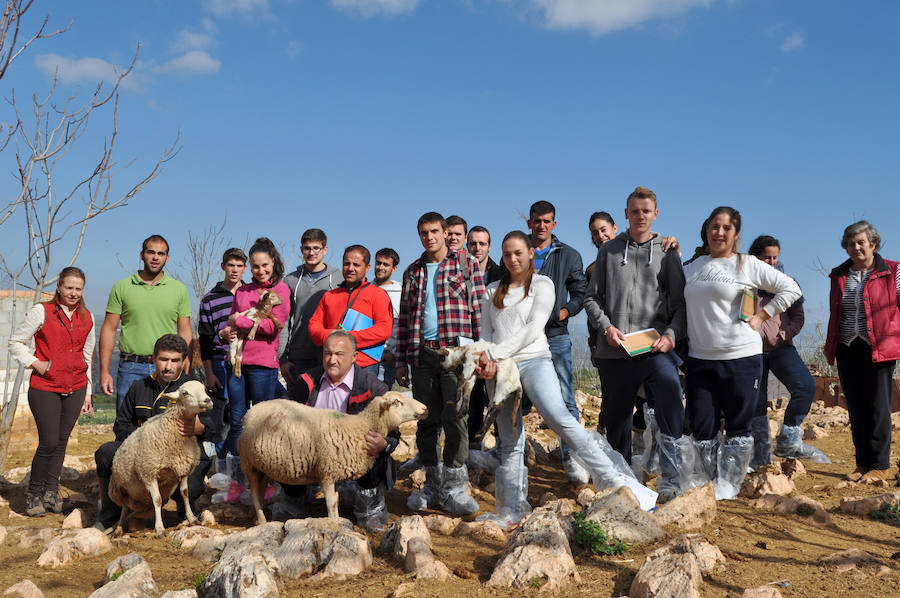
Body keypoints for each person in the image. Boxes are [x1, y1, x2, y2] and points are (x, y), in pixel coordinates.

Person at [475, 231, 657, 529]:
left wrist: (492, 353)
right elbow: (486, 333)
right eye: (507, 254)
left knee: (560, 418)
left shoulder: (543, 284)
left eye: (518, 252)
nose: (512, 259)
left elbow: (533, 329)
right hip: (501, 370)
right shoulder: (492, 290)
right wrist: (486, 360)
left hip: (534, 361)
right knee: (509, 439)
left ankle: (613, 481)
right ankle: (511, 509)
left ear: (530, 253)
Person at [682, 207, 801, 500]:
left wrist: (762, 316)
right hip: (700, 359)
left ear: (736, 234)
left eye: (727, 228)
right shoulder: (692, 267)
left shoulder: (747, 264)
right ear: (706, 230)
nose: (719, 233)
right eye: (715, 226)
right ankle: (707, 484)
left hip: (741, 358)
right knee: (703, 426)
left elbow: (790, 289)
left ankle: (729, 485)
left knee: (738, 425)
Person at [584, 187, 687, 502]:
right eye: (634, 211)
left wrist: (671, 336)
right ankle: (623, 485)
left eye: (646, 211)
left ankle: (671, 480)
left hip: (654, 347)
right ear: (626, 214)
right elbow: (591, 299)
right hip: (615, 350)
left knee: (670, 400)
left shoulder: (667, 252)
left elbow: (681, 306)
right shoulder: (609, 251)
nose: (640, 216)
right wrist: (606, 328)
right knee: (617, 421)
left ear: (655, 214)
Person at [396, 211, 484, 515]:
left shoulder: (466, 264)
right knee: (426, 418)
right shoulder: (412, 272)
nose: (429, 237)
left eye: (434, 231)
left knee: (456, 417)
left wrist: (480, 352)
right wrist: (402, 360)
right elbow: (404, 319)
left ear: (445, 233)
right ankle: (432, 486)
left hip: (456, 354)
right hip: (422, 355)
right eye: (424, 232)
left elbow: (478, 311)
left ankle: (455, 488)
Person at [93, 334, 226, 531]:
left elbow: (215, 427)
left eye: (175, 360)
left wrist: (200, 428)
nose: (168, 366)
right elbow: (121, 426)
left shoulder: (193, 387)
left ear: (184, 361)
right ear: (154, 358)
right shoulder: (139, 387)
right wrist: (144, 439)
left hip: (181, 453)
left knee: (194, 481)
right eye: (163, 359)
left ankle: (185, 511)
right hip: (143, 454)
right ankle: (109, 513)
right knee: (105, 453)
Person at [276, 330, 396, 531]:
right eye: (327, 353)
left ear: (354, 357)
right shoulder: (307, 382)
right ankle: (294, 505)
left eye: (339, 354)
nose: (332, 360)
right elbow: (285, 408)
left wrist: (385, 444)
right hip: (313, 456)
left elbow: (394, 434)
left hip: (353, 458)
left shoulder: (374, 389)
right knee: (286, 452)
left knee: (374, 453)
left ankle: (370, 510)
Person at [9, 267, 95, 517]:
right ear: (59, 287)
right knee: (48, 441)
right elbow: (15, 342)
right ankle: (33, 495)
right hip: (45, 387)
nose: (73, 293)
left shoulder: (87, 317)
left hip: (76, 386)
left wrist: (88, 391)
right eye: (69, 287)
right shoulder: (42, 311)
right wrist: (35, 363)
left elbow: (87, 356)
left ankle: (50, 494)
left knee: (61, 442)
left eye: (78, 289)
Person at [824, 221, 900, 483]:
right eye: (850, 243)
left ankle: (879, 465)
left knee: (878, 407)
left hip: (879, 346)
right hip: (847, 347)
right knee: (856, 407)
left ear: (873, 245)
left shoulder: (893, 271)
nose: (855, 247)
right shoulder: (838, 275)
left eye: (861, 242)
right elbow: (836, 312)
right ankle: (862, 463)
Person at [218, 237, 291, 503]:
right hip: (237, 362)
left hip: (263, 365)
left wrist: (240, 321)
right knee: (238, 420)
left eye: (265, 265)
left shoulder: (280, 291)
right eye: (256, 266)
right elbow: (232, 323)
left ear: (274, 263)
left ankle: (265, 478)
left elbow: (272, 327)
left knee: (263, 422)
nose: (260, 271)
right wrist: (225, 331)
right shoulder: (243, 291)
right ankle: (239, 480)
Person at [746, 236, 827, 469]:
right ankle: (760, 458)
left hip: (782, 348)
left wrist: (783, 334)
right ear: (756, 258)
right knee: (756, 403)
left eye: (775, 257)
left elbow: (798, 317)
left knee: (805, 386)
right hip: (752, 351)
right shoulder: (746, 284)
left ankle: (788, 439)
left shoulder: (787, 283)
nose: (771, 262)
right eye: (766, 257)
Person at [525, 201, 589, 485]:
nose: (542, 226)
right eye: (537, 221)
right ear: (529, 223)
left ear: (554, 223)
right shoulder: (518, 250)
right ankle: (510, 457)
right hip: (522, 338)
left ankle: (573, 456)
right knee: (517, 400)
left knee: (565, 399)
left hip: (555, 336)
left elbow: (580, 292)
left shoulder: (568, 255)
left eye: (547, 221)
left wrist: (564, 312)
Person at [99, 235, 192, 408]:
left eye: (161, 253)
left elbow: (185, 330)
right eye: (151, 252)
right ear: (142, 255)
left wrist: (186, 362)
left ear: (167, 258)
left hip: (167, 367)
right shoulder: (122, 287)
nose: (155, 257)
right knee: (127, 422)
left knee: (166, 421)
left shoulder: (179, 290)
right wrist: (104, 371)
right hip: (130, 367)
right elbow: (109, 329)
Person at [197, 248, 247, 487]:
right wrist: (209, 373)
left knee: (242, 417)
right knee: (222, 417)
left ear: (245, 268)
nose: (235, 270)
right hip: (219, 362)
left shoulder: (251, 294)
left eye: (239, 266)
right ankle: (221, 471)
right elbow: (205, 339)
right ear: (223, 266)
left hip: (246, 363)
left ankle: (240, 467)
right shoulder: (210, 299)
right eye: (231, 265)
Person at [308, 245, 394, 376]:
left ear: (367, 267)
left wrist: (346, 339)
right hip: (332, 363)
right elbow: (314, 327)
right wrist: (330, 335)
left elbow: (384, 329)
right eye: (346, 264)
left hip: (364, 366)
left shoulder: (378, 295)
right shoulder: (329, 296)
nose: (350, 268)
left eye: (356, 265)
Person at [280, 228, 342, 382]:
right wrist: (282, 359)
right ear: (301, 249)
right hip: (298, 357)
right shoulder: (290, 280)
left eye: (316, 248)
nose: (311, 252)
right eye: (307, 248)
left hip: (330, 354)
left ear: (325, 250)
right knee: (298, 398)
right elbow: (284, 322)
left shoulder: (339, 279)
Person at [466, 225, 502, 448]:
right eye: (473, 243)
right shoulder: (459, 272)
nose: (477, 248)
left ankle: (502, 447)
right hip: (468, 342)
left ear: (489, 246)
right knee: (473, 397)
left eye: (482, 244)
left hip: (495, 343)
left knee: (498, 396)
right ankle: (473, 445)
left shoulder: (501, 274)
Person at [374, 248, 402, 387]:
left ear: (394, 268)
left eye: (386, 264)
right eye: (378, 263)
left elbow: (403, 328)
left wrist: (394, 355)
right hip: (365, 357)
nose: (381, 267)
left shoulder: (401, 292)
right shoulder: (364, 289)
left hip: (387, 360)